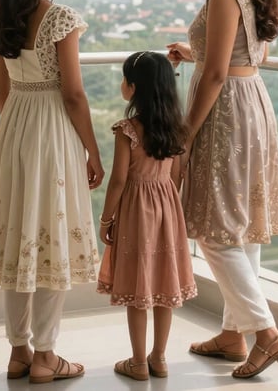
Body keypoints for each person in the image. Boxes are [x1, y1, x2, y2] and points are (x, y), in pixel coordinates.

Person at [0, 0, 105, 384]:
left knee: (19, 241)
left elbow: (1, 87)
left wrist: (17, 132)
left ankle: (19, 352)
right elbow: (73, 94)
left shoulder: (2, 15)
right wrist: (92, 150)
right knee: (53, 240)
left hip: (16, 131)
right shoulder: (60, 17)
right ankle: (47, 356)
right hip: (52, 130)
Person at [167, 0, 278, 380]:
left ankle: (264, 333)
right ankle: (232, 334)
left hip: (226, 112)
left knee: (215, 229)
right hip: (254, 104)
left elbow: (217, 72)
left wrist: (186, 133)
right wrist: (193, 50)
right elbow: (244, 53)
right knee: (242, 225)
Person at [97, 51, 198, 382]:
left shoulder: (127, 129)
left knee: (138, 286)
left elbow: (118, 180)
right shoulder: (178, 130)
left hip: (136, 211)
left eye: (125, 79)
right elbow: (177, 175)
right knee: (163, 285)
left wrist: (106, 219)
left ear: (133, 87)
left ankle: (138, 362)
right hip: (167, 208)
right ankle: (159, 358)